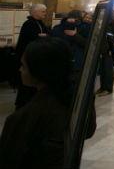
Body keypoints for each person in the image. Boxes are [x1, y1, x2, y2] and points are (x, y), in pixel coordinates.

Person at [0, 37, 73, 168]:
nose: (20, 70)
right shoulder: (72, 99)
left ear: (38, 70)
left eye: (23, 66)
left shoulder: (25, 118)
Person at [13, 4, 49, 109]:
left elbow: (47, 33)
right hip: (28, 58)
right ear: (35, 12)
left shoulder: (40, 23)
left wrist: (46, 36)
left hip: (37, 57)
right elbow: (26, 41)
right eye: (43, 11)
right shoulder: (28, 24)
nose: (45, 14)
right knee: (27, 85)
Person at [96, 10, 114, 96]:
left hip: (110, 49)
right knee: (102, 69)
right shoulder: (104, 22)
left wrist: (112, 49)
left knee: (108, 69)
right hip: (103, 49)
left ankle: (108, 88)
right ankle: (103, 87)